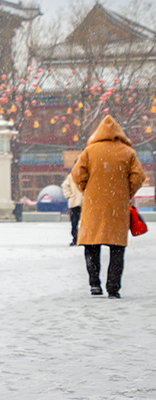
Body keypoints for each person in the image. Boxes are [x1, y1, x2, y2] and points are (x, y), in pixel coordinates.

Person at [72, 115, 145, 299]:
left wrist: (87, 189)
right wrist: (125, 192)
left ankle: (94, 284)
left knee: (91, 245)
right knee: (117, 248)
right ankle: (113, 287)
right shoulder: (128, 153)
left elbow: (77, 173)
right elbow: (138, 176)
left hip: (93, 205)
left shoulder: (90, 151)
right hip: (117, 206)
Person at [61, 172, 83, 246]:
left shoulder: (72, 176)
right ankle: (77, 239)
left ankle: (78, 239)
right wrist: (69, 196)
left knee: (75, 222)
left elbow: (65, 187)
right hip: (78, 202)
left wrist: (69, 196)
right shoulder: (71, 176)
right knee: (75, 223)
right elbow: (65, 187)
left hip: (78, 202)